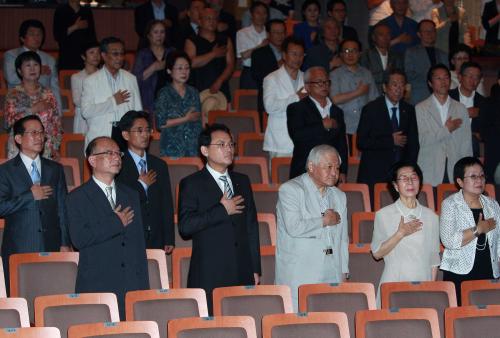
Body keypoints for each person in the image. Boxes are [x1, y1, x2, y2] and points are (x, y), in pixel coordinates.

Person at [178, 123, 261, 313]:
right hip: (210, 272)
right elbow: (186, 226)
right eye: (221, 144)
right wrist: (221, 210)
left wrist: (255, 268)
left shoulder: (242, 180)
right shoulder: (191, 183)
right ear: (205, 150)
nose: (229, 149)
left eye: (231, 144)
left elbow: (251, 226)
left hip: (242, 270)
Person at [67, 136, 149, 317]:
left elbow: (138, 245)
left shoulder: (130, 194)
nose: (116, 157)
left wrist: (143, 286)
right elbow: (79, 239)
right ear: (92, 160)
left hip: (131, 284)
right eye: (109, 153)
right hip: (97, 282)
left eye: (118, 153)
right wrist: (115, 222)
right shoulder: (77, 197)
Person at [0, 115, 69, 293]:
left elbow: (62, 208)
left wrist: (64, 243)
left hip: (52, 244)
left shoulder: (55, 169)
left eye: (41, 132)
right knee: (22, 299)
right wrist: (29, 196)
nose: (39, 137)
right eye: (33, 133)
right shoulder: (5, 171)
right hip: (20, 246)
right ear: (18, 138)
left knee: (52, 296)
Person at [275, 144, 349, 310]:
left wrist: (344, 269)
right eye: (328, 167)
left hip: (333, 269)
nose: (334, 173)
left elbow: (343, 237)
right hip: (301, 271)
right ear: (311, 167)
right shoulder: (291, 190)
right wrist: (324, 220)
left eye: (337, 168)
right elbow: (293, 227)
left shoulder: (339, 196)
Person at [371, 162, 440, 307]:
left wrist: (431, 288)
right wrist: (400, 234)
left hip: (423, 283)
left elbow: (434, 259)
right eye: (404, 178)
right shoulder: (383, 215)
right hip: (394, 282)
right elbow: (377, 253)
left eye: (414, 177)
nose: (410, 181)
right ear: (396, 186)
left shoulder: (431, 217)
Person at [440, 156, 500, 304]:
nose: (479, 180)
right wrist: (477, 230)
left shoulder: (493, 205)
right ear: (460, 182)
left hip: (489, 271)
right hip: (459, 272)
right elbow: (448, 241)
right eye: (473, 176)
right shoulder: (450, 204)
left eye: (481, 176)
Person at [116, 110, 175, 252]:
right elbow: (120, 199)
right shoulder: (118, 163)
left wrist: (169, 237)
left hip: (156, 236)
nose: (145, 135)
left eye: (148, 130)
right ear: (125, 134)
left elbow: (166, 203)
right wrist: (141, 185)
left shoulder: (159, 165)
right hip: (130, 233)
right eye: (139, 130)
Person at [357, 69, 419, 192]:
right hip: (375, 172)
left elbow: (413, 144)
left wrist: (408, 170)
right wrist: (390, 140)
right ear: (385, 87)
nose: (399, 88)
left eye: (402, 85)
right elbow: (361, 142)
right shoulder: (371, 109)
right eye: (395, 84)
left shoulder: (409, 110)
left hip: (400, 175)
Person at [287, 66, 348, 181]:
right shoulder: (296, 108)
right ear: (307, 86)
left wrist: (343, 170)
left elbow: (342, 143)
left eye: (326, 82)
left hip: (331, 172)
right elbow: (297, 135)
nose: (324, 85)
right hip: (305, 170)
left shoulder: (337, 111)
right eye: (319, 82)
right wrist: (322, 126)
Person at [416, 64, 472, 187]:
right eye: (438, 78)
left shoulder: (460, 108)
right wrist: (447, 129)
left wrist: (467, 172)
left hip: (455, 168)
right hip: (431, 169)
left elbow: (466, 144)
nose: (443, 82)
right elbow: (423, 140)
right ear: (430, 83)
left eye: (446, 78)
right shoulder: (420, 109)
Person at [81, 37, 142, 149]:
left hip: (126, 135)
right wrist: (113, 102)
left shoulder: (131, 79)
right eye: (115, 54)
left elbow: (138, 111)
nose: (119, 58)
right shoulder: (90, 81)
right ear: (104, 56)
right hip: (101, 135)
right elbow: (86, 112)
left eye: (122, 54)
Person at [4, 51, 62, 160]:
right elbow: (8, 122)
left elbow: (56, 123)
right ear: (19, 70)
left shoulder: (48, 93)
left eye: (36, 65)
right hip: (20, 146)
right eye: (28, 65)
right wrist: (33, 109)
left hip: (44, 147)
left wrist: (55, 146)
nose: (32, 69)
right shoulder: (13, 94)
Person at [263, 36, 306, 161]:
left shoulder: (308, 78)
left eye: (301, 55)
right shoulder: (271, 78)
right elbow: (269, 106)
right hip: (280, 141)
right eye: (294, 54)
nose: (298, 58)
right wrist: (296, 97)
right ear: (284, 55)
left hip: (303, 141)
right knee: (279, 180)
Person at [3, 19, 61, 110]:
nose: (36, 37)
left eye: (39, 34)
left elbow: (55, 88)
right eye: (32, 34)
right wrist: (38, 70)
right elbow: (11, 79)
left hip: (44, 108)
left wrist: (59, 112)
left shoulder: (50, 59)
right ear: (22, 38)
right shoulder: (11, 55)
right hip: (19, 105)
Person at [155, 51, 202, 157]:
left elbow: (198, 121)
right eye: (180, 68)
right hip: (171, 148)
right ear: (169, 70)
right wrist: (186, 118)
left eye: (187, 68)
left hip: (193, 147)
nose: (184, 72)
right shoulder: (164, 93)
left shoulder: (193, 92)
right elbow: (161, 124)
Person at [330, 39, 379, 138]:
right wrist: (358, 92)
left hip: (365, 125)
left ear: (360, 53)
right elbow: (335, 99)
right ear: (341, 54)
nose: (350, 54)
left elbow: (374, 100)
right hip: (343, 126)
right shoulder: (334, 75)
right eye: (347, 51)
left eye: (354, 51)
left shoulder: (367, 73)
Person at [185, 7, 235, 101]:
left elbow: (230, 65)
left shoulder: (225, 40)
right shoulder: (191, 40)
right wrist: (213, 54)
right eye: (208, 18)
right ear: (199, 21)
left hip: (221, 87)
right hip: (198, 87)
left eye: (215, 19)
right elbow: (191, 63)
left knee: (221, 115)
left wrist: (219, 81)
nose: (212, 21)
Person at [132, 20, 173, 114]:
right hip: (148, 99)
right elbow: (135, 80)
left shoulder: (172, 52)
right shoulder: (142, 54)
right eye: (155, 32)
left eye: (162, 32)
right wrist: (153, 68)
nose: (159, 35)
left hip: (170, 97)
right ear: (148, 35)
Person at [250, 19, 286, 129]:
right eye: (276, 32)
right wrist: (277, 67)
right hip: (269, 101)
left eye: (282, 32)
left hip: (289, 99)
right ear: (268, 34)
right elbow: (257, 76)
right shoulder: (258, 53)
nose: (280, 36)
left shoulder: (291, 52)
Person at [405, 19, 448, 105]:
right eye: (426, 31)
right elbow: (408, 75)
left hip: (441, 98)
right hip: (419, 97)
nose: (429, 33)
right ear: (419, 34)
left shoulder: (443, 54)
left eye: (432, 30)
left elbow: (447, 77)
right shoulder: (411, 52)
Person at [449, 62, 487, 158]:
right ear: (460, 77)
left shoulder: (484, 102)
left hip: (472, 147)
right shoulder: (448, 97)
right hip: (448, 144)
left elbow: (485, 130)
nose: (473, 80)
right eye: (470, 76)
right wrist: (465, 113)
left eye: (476, 77)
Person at [360, 22, 404, 93]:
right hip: (372, 94)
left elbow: (400, 76)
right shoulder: (366, 55)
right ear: (374, 37)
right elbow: (365, 78)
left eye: (388, 34)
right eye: (381, 34)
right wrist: (386, 74)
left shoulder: (396, 56)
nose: (385, 37)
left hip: (392, 94)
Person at [53, 0, 97, 70]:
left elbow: (92, 37)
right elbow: (57, 36)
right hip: (66, 57)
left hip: (84, 59)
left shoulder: (86, 11)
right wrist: (75, 27)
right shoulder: (60, 10)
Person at [236, 1, 269, 89]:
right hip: (249, 72)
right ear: (251, 14)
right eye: (258, 13)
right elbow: (243, 55)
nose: (261, 16)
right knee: (248, 101)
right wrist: (260, 46)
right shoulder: (242, 33)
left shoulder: (270, 33)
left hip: (267, 72)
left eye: (264, 13)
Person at [71, 42, 100, 135]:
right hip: (83, 118)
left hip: (100, 115)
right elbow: (76, 100)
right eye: (92, 52)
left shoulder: (104, 75)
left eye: (98, 52)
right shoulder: (77, 77)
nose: (96, 55)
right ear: (84, 56)